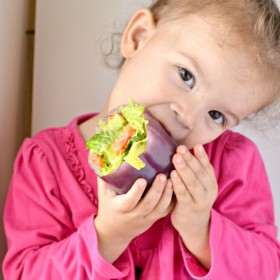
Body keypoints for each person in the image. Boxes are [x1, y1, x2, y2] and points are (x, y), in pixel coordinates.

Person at [3, 0, 280, 279]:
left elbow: (266, 269)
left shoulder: (234, 164)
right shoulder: (47, 163)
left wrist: (201, 229)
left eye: (217, 114)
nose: (187, 117)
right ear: (137, 38)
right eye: (186, 76)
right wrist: (107, 236)